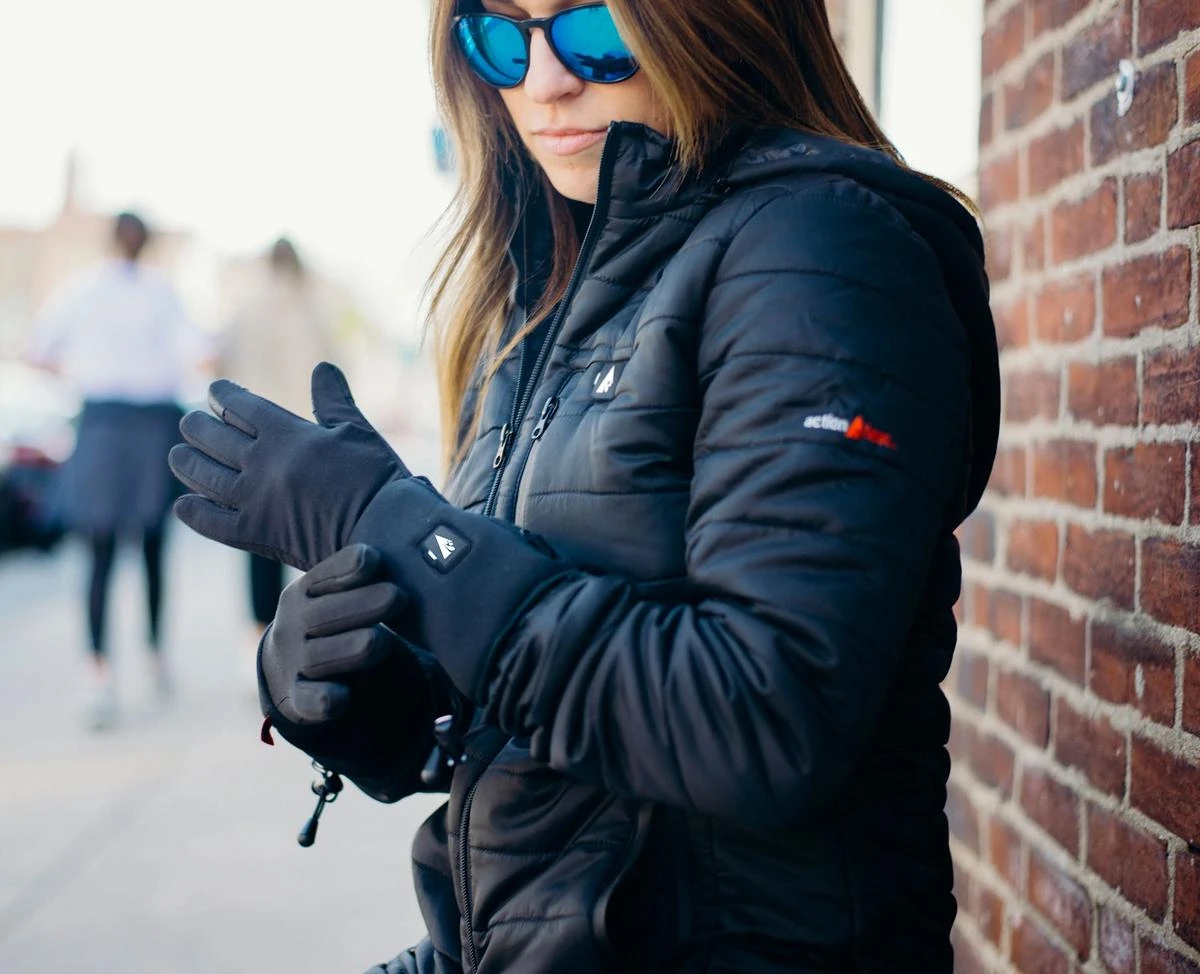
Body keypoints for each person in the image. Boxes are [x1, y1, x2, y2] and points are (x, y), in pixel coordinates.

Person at [168, 1, 1001, 970]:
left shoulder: (822, 250)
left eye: (592, 28)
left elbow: (764, 720)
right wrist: (342, 679)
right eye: (498, 34)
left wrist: (390, 522)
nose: (543, 81)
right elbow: (512, 719)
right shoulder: (547, 291)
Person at [30, 210, 209, 730]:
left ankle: (99, 672)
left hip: (105, 421)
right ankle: (151, 659)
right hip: (148, 422)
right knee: (150, 548)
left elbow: (39, 350)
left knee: (102, 552)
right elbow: (198, 352)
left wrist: (83, 371)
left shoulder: (83, 290)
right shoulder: (161, 292)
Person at [216, 236, 333, 652]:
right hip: (306, 441)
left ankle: (260, 640)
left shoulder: (246, 310)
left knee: (259, 543)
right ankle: (314, 638)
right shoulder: (315, 311)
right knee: (312, 542)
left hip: (256, 440)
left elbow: (221, 371)